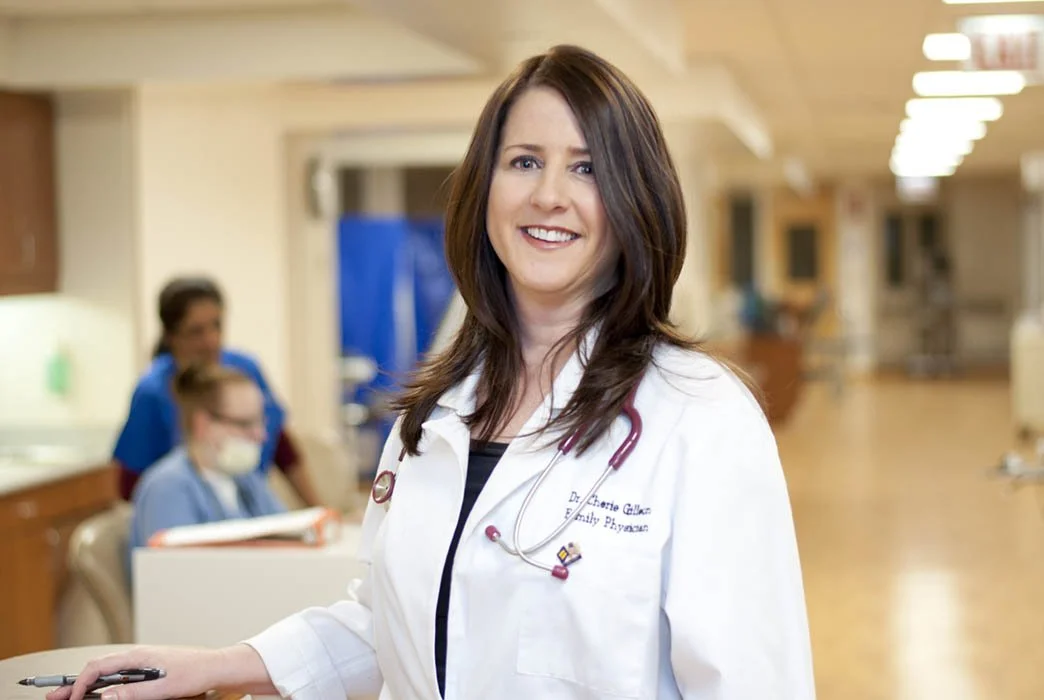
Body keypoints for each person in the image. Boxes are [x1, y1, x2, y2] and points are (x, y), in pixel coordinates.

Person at [54, 44, 815, 700]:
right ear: (486, 188)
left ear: (635, 202)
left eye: (587, 168)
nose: (548, 194)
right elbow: (398, 624)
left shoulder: (700, 417)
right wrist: (213, 666)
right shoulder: (440, 409)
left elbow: (754, 681)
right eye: (524, 161)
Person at [109, 276, 322, 508]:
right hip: (188, 511)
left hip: (246, 505)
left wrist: (321, 509)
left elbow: (282, 448)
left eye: (217, 326)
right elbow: (130, 485)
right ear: (171, 336)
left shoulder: (243, 371)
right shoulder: (153, 393)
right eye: (196, 331)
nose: (211, 340)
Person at [128, 363, 287, 559]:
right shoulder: (168, 489)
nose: (261, 435)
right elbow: (180, 579)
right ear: (202, 424)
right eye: (245, 424)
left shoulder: (247, 480)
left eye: (261, 421)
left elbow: (289, 538)